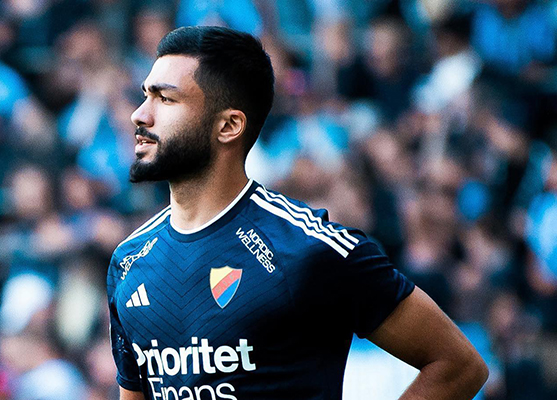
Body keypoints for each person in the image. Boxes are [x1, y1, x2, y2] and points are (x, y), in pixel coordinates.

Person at [107, 25, 489, 400]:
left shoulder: (306, 248)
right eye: (145, 95)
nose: (139, 115)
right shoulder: (129, 261)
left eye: (165, 99)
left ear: (229, 126)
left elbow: (457, 365)